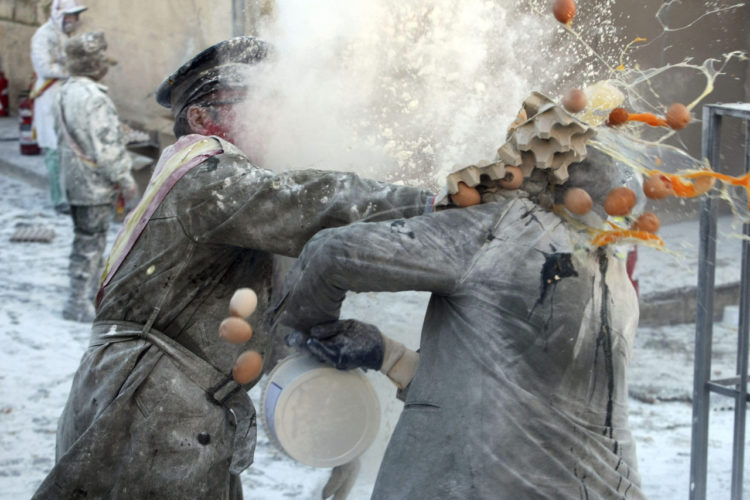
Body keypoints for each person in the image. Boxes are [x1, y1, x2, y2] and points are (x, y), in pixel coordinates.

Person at [32, 36, 437, 499]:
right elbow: (307, 202)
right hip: (144, 406)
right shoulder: (205, 176)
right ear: (201, 119)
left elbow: (266, 321)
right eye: (255, 105)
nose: (274, 118)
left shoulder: (223, 197)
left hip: (166, 407)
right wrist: (430, 204)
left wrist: (348, 405)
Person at [273, 96, 645, 498]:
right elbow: (516, 396)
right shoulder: (613, 276)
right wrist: (389, 356)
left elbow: (331, 255)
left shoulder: (505, 230)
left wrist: (308, 332)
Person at [56, 31, 138, 323]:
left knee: (86, 239)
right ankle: (78, 302)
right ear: (92, 63)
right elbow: (106, 149)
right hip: (93, 184)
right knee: (91, 242)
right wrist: (125, 179)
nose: (105, 63)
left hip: (73, 179)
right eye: (102, 58)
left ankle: (89, 294)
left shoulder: (66, 91)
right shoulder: (94, 98)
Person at [30, 0, 87, 214]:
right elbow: (44, 67)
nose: (74, 20)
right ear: (59, 15)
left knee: (71, 148)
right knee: (54, 150)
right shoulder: (43, 35)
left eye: (75, 16)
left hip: (68, 96)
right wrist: (73, 69)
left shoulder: (68, 36)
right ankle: (59, 198)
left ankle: (73, 195)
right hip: (49, 98)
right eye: (70, 16)